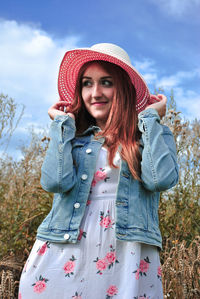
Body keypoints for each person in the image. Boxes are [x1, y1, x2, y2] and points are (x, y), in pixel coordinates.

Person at [18, 43, 179, 299]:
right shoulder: (74, 139)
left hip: (128, 253)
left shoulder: (150, 135)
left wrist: (149, 119)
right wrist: (62, 125)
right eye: (86, 83)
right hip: (65, 247)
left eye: (106, 82)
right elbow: (54, 183)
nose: (95, 93)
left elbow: (160, 179)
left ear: (123, 87)